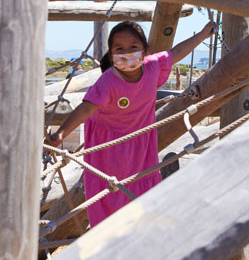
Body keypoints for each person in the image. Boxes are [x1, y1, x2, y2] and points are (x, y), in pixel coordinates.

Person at [45, 19, 218, 227]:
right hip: (108, 148)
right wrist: (61, 133)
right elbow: (86, 108)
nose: (127, 53)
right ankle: (108, 237)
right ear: (111, 54)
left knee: (142, 187)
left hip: (140, 142)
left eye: (133, 47)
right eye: (120, 49)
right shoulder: (109, 81)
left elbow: (178, 52)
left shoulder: (153, 66)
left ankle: (140, 235)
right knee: (110, 191)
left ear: (145, 50)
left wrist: (202, 34)